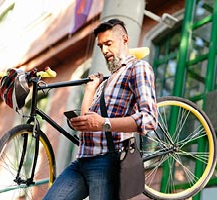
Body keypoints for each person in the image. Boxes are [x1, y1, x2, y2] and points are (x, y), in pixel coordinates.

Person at [43, 18, 158, 199]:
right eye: (100, 46)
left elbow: (149, 119)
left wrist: (104, 123)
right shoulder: (106, 81)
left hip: (107, 161)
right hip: (81, 161)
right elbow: (88, 120)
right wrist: (90, 90)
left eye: (108, 43)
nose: (104, 51)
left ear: (125, 39)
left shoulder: (137, 68)